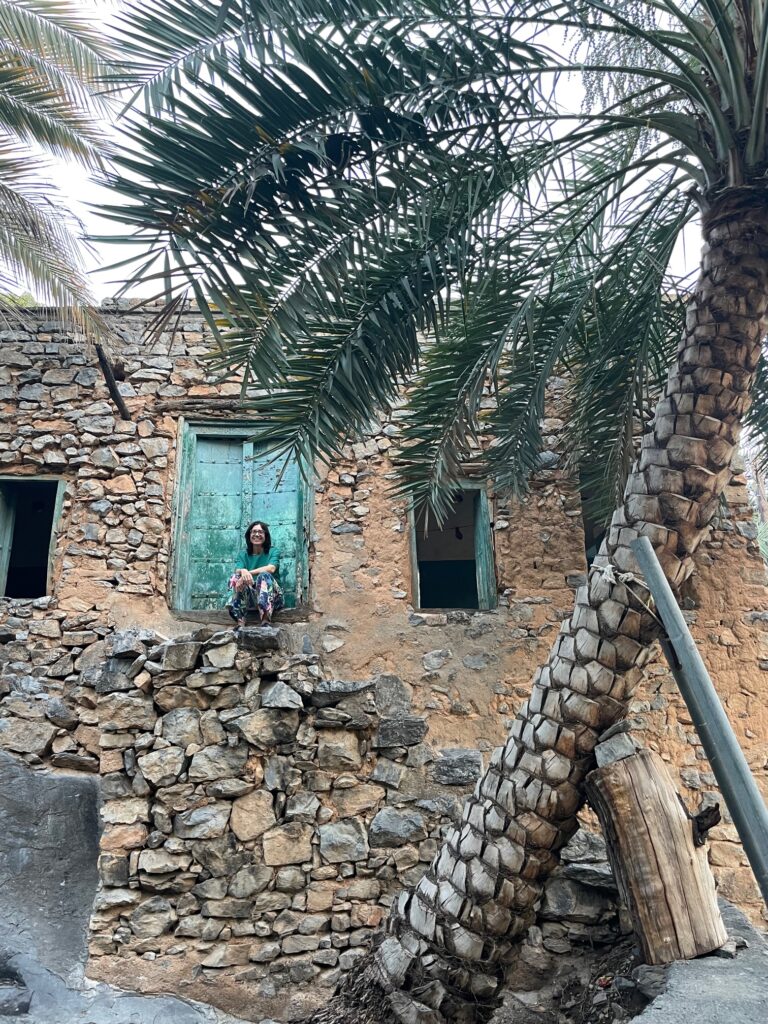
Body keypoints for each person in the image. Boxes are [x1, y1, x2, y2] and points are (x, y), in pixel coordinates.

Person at [227, 520, 284, 629]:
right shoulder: (243, 554)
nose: (257, 534)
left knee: (264, 575)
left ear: (265, 536)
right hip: (252, 598)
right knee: (235, 578)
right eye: (253, 532)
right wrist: (242, 571)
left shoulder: (273, 551)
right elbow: (238, 570)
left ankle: (265, 620)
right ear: (249, 536)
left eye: (260, 532)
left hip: (274, 598)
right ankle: (240, 621)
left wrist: (248, 572)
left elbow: (271, 568)